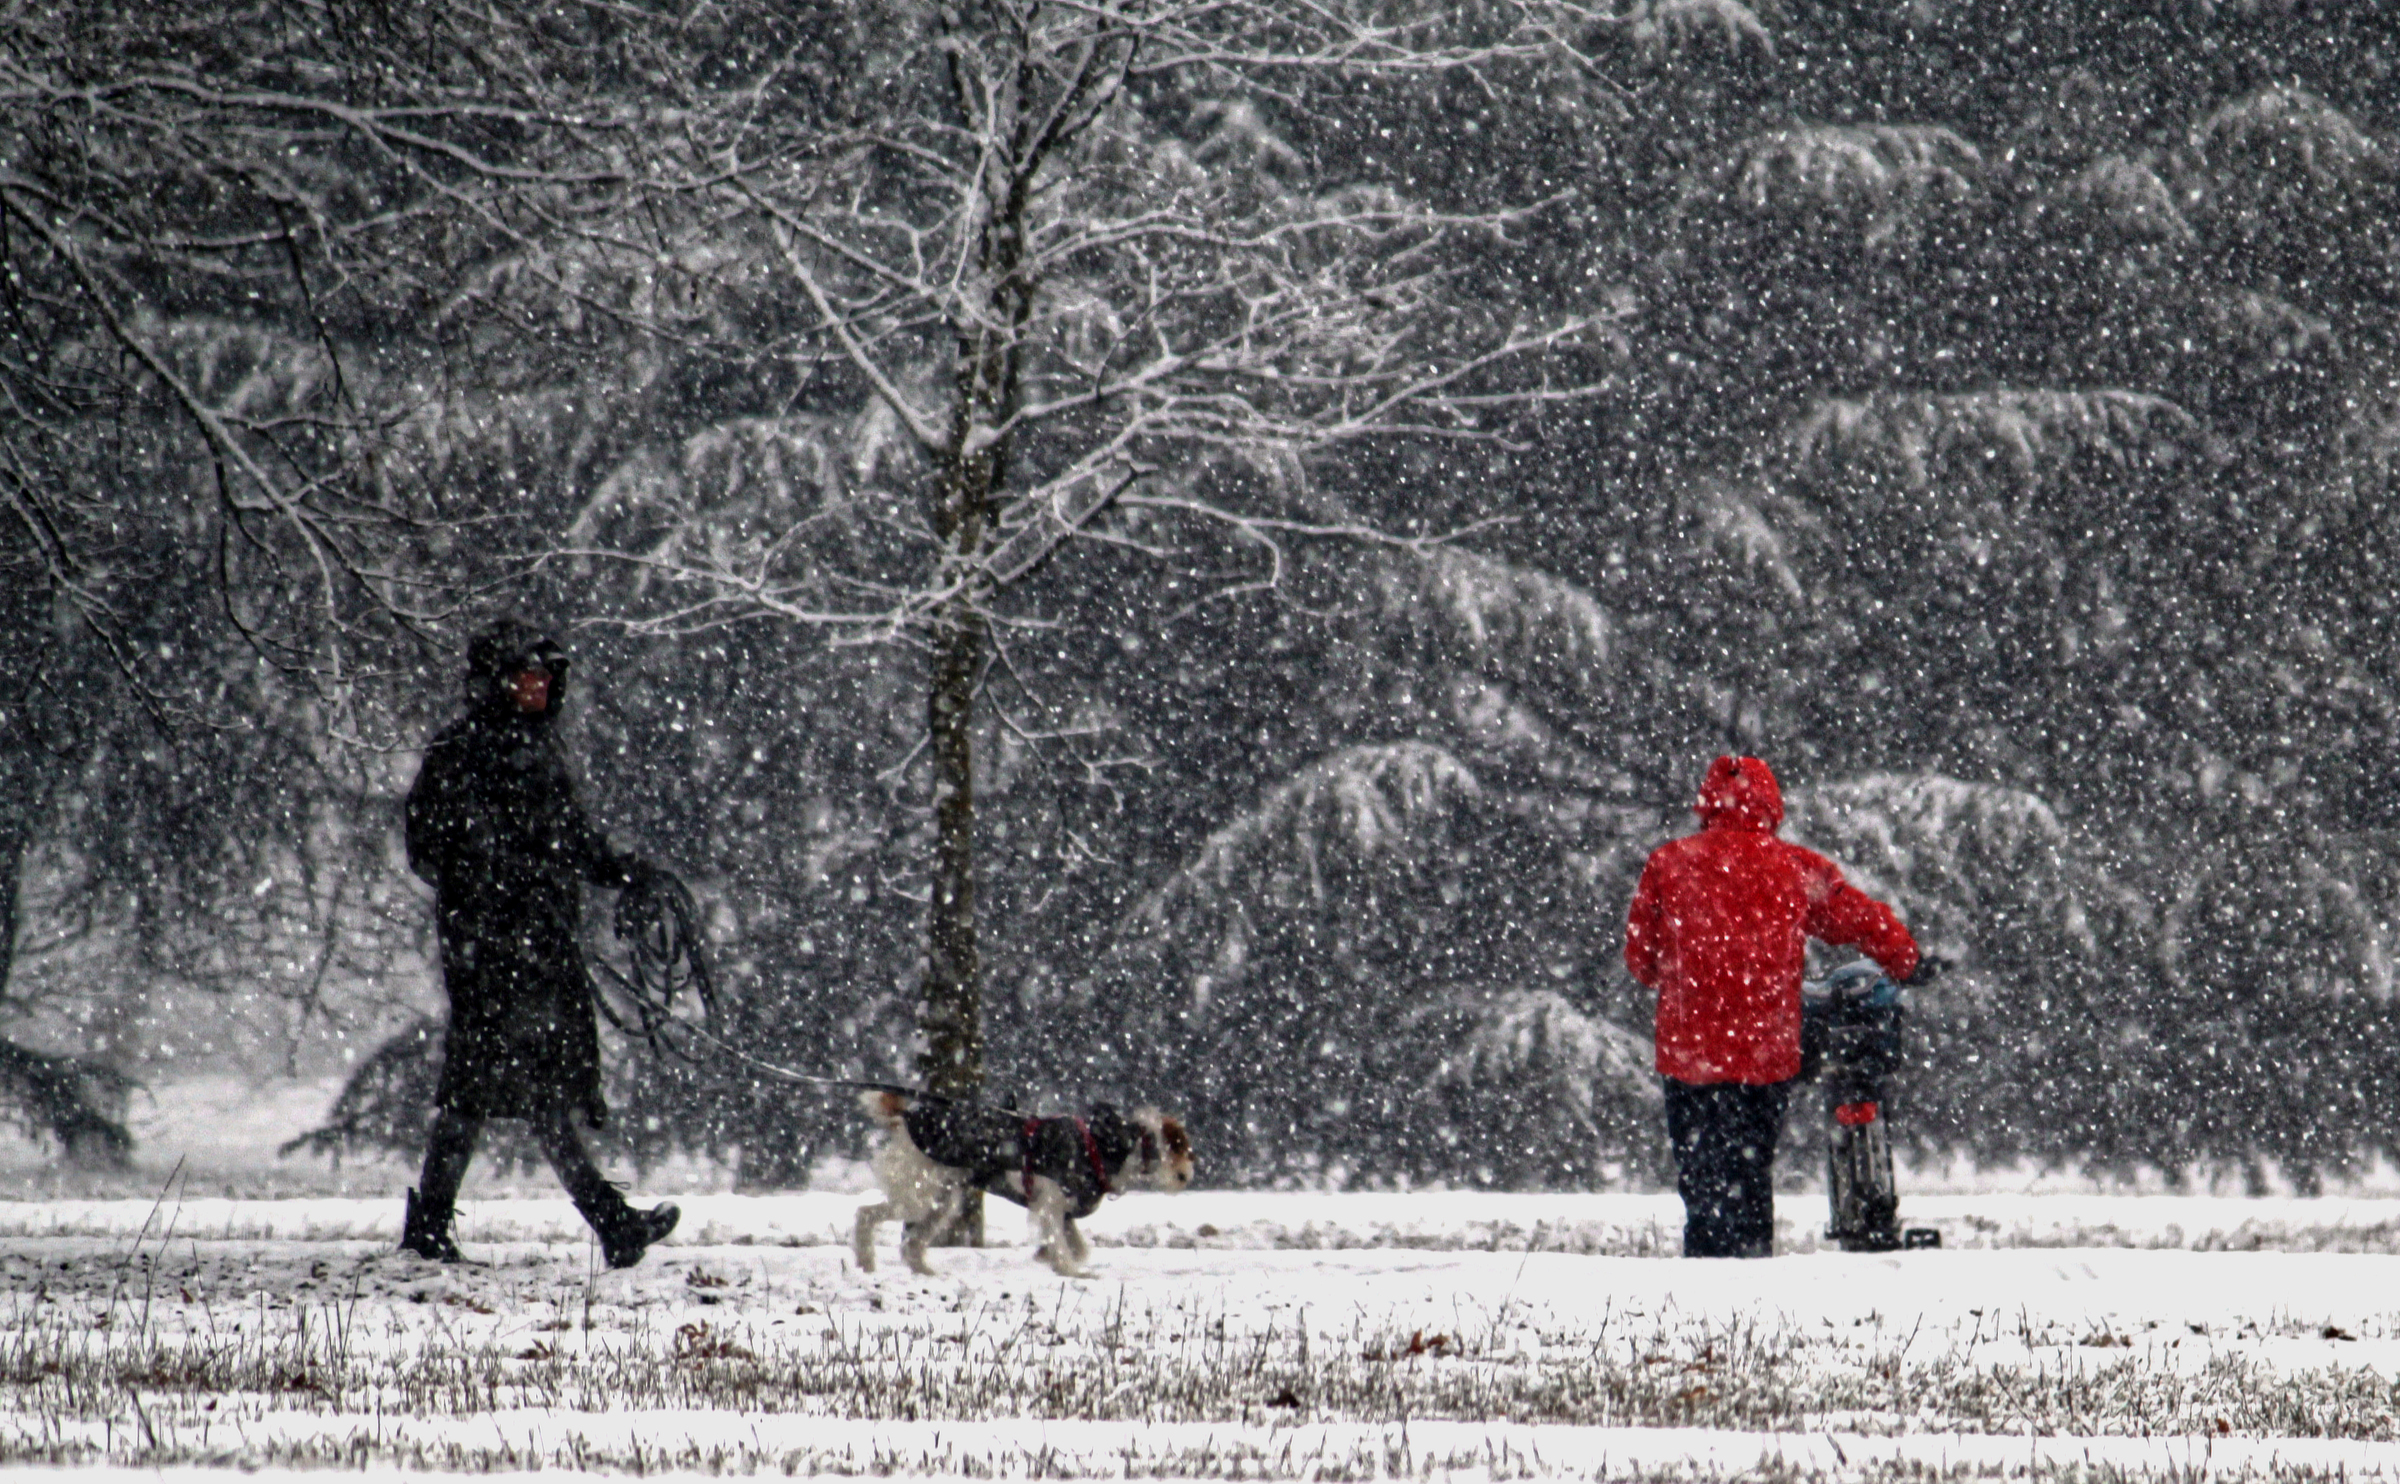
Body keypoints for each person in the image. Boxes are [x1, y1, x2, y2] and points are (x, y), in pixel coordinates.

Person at [398, 620, 681, 1267]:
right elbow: (433, 851)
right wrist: (500, 896)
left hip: (540, 948)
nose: (541, 684)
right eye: (529, 673)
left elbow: (572, 843)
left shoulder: (539, 751)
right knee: (494, 1088)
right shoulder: (461, 752)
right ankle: (441, 1230)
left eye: (547, 675)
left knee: (521, 1090)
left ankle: (601, 1224)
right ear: (499, 680)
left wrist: (625, 871)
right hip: (489, 953)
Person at [1624, 756, 1919, 1258]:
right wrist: (1905, 958)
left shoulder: (1668, 864)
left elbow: (1641, 962)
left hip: (1689, 1054)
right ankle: (1751, 1266)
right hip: (1764, 1053)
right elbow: (1856, 916)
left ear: (1707, 804)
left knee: (1702, 1175)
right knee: (1750, 1165)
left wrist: (1681, 969)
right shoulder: (1794, 867)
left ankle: (1706, 1271)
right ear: (1771, 805)